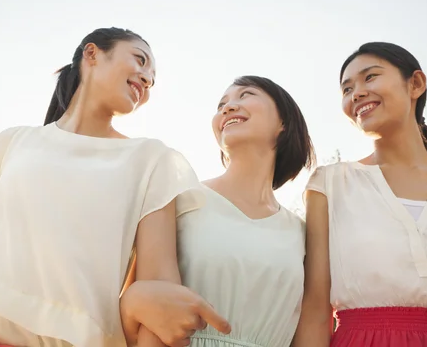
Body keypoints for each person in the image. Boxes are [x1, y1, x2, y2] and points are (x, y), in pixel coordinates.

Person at [0, 27, 228, 346]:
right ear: (92, 53)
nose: (147, 79)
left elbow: (160, 293)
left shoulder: (152, 160)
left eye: (152, 78)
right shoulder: (13, 144)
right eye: (140, 60)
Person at [294, 42, 427, 346]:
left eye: (370, 77)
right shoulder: (330, 183)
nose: (357, 93)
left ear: (415, 84)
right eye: (347, 89)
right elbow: (315, 309)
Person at [120, 76, 315, 347]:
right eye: (222, 103)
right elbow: (134, 315)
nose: (228, 107)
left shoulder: (302, 232)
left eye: (246, 95)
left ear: (283, 121)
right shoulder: (177, 199)